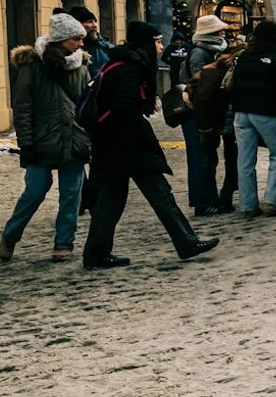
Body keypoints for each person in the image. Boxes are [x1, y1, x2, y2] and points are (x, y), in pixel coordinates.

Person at [80, 21, 217, 268]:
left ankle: (96, 252)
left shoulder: (121, 64)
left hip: (113, 145)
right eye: (157, 40)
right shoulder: (130, 69)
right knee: (159, 194)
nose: (160, 45)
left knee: (111, 200)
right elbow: (124, 110)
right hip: (127, 145)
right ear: (145, 43)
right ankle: (186, 242)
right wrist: (140, 144)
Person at [0, 14, 93, 262]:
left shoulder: (81, 66)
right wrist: (26, 143)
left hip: (73, 139)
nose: (81, 44)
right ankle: (10, 236)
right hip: (41, 139)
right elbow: (23, 108)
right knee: (35, 192)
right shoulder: (32, 67)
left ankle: (64, 244)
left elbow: (85, 104)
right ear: (61, 40)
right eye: (76, 39)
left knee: (72, 195)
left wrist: (88, 135)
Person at [226, 21, 276, 218]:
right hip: (266, 111)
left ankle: (248, 205)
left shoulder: (244, 56)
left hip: (241, 112)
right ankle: (271, 199)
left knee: (245, 160)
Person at [184, 15, 233, 215]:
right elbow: (198, 78)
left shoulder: (214, 49)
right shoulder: (200, 52)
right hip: (199, 110)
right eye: (219, 31)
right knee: (201, 157)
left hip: (209, 108)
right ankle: (202, 202)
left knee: (208, 157)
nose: (223, 34)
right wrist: (219, 68)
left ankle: (210, 199)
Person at [68, 6, 112, 81]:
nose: (95, 25)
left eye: (95, 21)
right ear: (78, 25)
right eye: (90, 22)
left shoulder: (106, 47)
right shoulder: (70, 50)